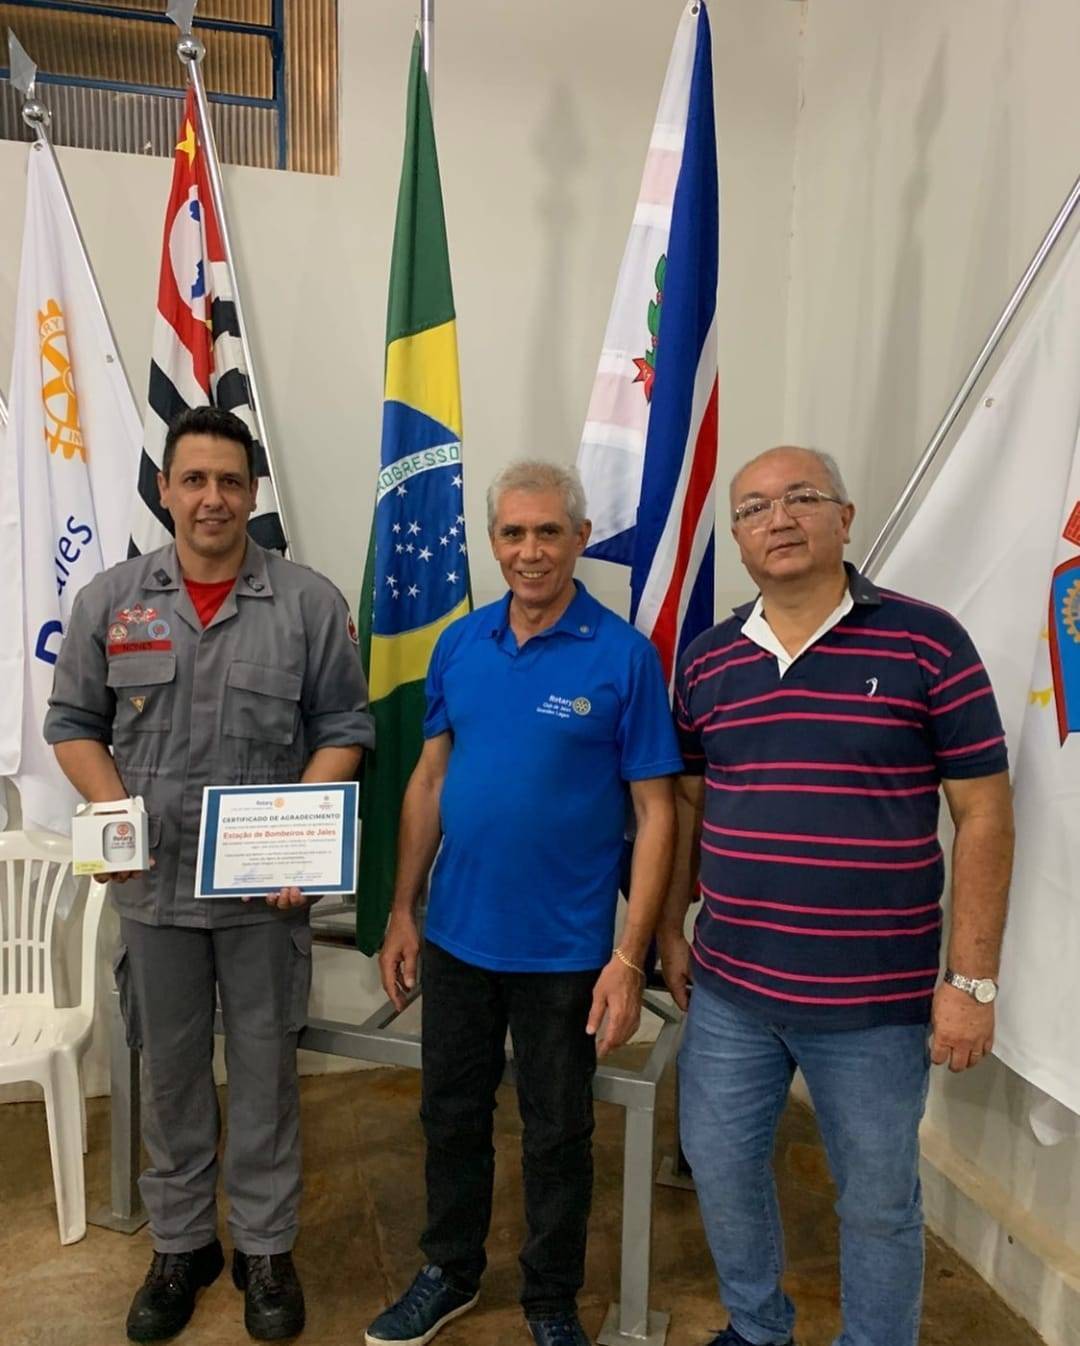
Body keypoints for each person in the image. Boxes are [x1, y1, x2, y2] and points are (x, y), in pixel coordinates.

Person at [659, 445, 1014, 1346]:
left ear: (844, 517)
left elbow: (984, 815)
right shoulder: (707, 662)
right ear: (736, 538)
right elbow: (691, 804)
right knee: (721, 1166)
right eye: (752, 508)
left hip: (876, 1006)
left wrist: (970, 986)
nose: (777, 519)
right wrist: (671, 928)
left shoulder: (927, 643)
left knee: (879, 1203)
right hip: (733, 992)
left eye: (801, 498)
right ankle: (756, 1324)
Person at [45, 406, 375, 1344]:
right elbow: (72, 724)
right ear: (166, 491)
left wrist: (305, 847)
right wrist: (119, 819)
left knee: (268, 1070)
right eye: (194, 480)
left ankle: (265, 1247)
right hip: (152, 893)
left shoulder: (308, 603)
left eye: (230, 481)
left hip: (264, 899)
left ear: (252, 493)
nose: (212, 498)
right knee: (173, 1071)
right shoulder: (111, 602)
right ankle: (183, 1244)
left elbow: (345, 730)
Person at [364, 461, 682, 1346]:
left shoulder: (623, 656)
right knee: (450, 1115)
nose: (531, 550)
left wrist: (629, 957)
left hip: (569, 954)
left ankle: (549, 1299)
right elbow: (429, 781)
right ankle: (450, 1272)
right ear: (492, 541)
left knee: (557, 1135)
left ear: (580, 537)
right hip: (459, 940)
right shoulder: (459, 645)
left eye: (549, 531)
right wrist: (402, 909)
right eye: (513, 533)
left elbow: (656, 813)